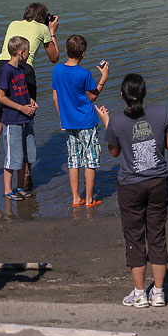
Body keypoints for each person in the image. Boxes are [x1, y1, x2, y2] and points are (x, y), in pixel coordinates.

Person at [96, 74, 168, 308]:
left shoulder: (117, 121)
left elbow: (114, 152)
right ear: (144, 93)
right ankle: (158, 292)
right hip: (158, 182)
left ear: (122, 95)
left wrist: (107, 122)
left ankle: (140, 293)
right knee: (157, 235)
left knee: (134, 237)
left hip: (130, 185)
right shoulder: (162, 112)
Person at [0, 3, 59, 177]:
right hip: (23, 71)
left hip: (0, 67)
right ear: (43, 18)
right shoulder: (43, 28)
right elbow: (54, 57)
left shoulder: (13, 23)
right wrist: (52, 31)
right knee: (25, 120)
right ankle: (26, 176)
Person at [52, 34, 109, 207]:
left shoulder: (57, 70)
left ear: (65, 50)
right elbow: (92, 97)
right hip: (86, 121)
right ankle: (89, 199)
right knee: (90, 160)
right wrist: (103, 78)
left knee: (73, 160)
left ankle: (76, 198)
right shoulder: (84, 74)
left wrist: (62, 118)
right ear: (83, 54)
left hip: (69, 122)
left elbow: (55, 97)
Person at [0, 36, 38, 201]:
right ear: (21, 53)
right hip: (12, 119)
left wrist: (31, 101)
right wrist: (21, 108)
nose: (29, 54)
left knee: (26, 155)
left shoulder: (22, 70)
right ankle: (8, 189)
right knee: (12, 157)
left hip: (26, 119)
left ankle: (20, 187)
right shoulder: (7, 71)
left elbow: (22, 91)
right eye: (28, 52)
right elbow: (0, 96)